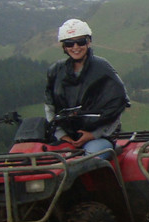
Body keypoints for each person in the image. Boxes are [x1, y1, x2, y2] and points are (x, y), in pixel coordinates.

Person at [44, 18, 129, 157]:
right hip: (66, 137)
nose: (75, 47)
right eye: (69, 43)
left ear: (88, 42)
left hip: (98, 137)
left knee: (90, 159)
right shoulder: (56, 71)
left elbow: (117, 104)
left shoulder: (102, 69)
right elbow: (50, 107)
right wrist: (62, 135)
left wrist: (93, 134)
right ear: (64, 47)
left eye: (81, 42)